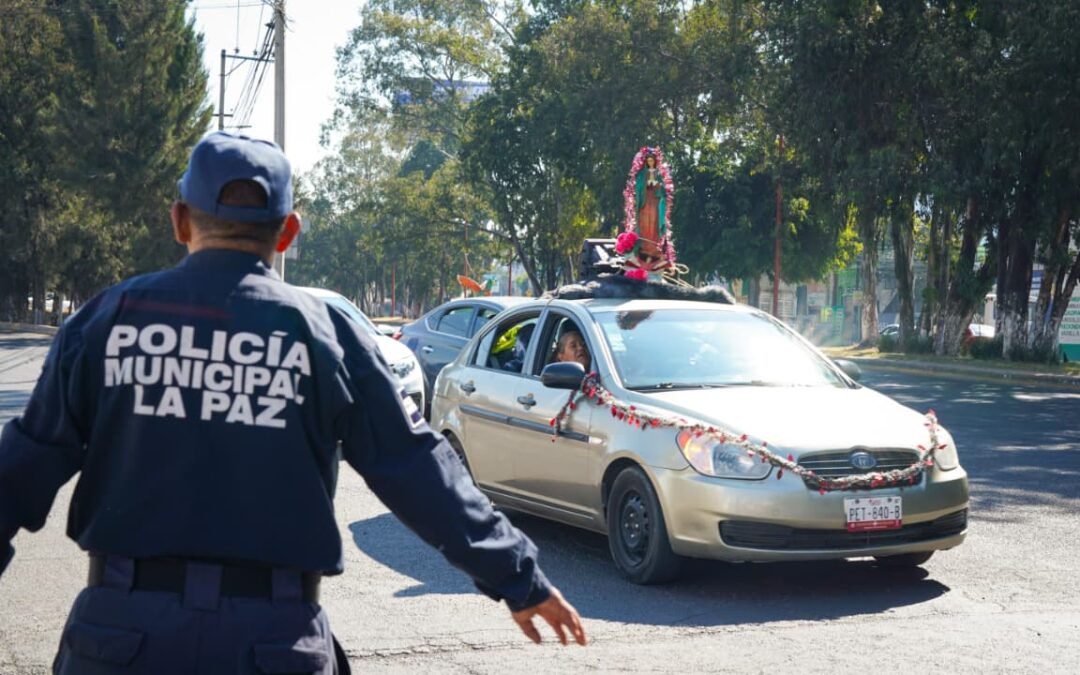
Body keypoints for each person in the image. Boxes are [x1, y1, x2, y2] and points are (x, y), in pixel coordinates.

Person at [0, 131, 585, 675]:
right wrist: (519, 578)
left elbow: (20, 469)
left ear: (180, 220)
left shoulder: (108, 320)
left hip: (121, 638)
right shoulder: (324, 333)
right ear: (288, 232)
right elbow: (416, 468)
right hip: (272, 644)